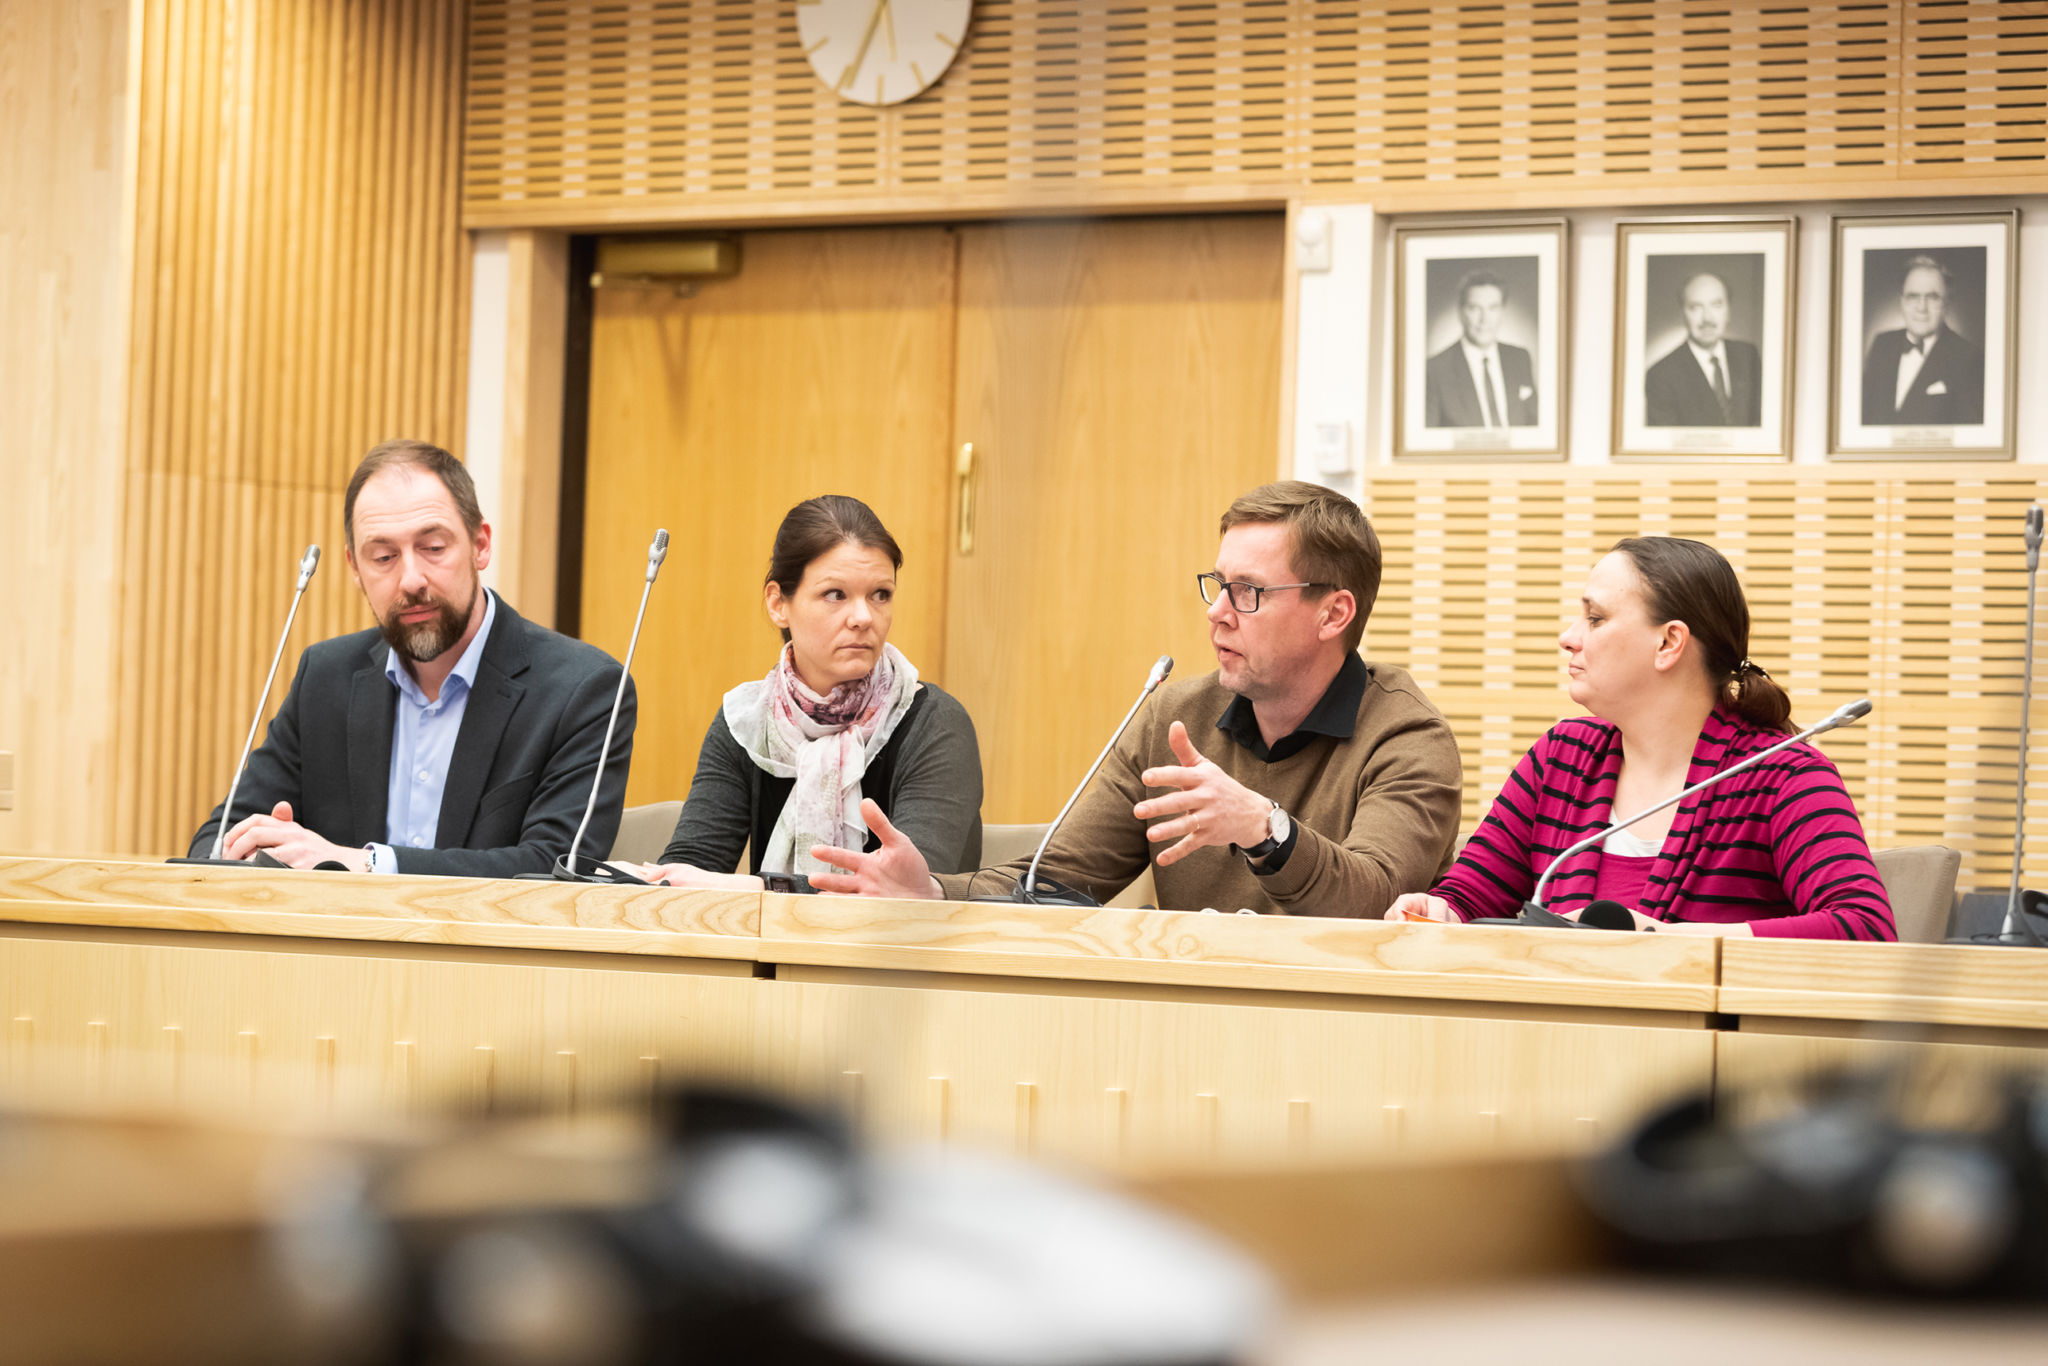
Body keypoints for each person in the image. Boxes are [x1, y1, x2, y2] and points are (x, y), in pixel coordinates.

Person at [809, 481, 1464, 917]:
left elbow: (1377, 898)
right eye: (1217, 584)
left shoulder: (1406, 736)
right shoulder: (1173, 716)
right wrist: (929, 891)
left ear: (1334, 614)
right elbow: (1058, 879)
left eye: (1250, 592)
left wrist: (1267, 829)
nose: (1218, 615)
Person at [1385, 537, 1894, 940]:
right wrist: (1439, 910)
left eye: (1596, 618)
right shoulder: (1560, 759)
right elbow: (1470, 899)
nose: (1569, 636)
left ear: (1669, 642)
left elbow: (1865, 928)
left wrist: (1673, 940)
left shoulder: (1784, 777)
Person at [188, 439, 635, 877]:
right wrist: (248, 853)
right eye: (383, 557)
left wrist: (363, 864)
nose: (411, 579)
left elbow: (553, 869)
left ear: (480, 544)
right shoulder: (326, 678)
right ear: (355, 569)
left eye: (433, 548)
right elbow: (219, 837)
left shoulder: (584, 689)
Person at [618, 495, 981, 892]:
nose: (863, 617)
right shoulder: (749, 720)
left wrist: (751, 890)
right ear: (778, 604)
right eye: (835, 595)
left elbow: (905, 890)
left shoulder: (934, 723)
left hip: (905, 950)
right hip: (774, 951)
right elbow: (690, 871)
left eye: (881, 594)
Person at [1860, 255, 1985, 426]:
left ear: (1947, 302)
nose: (1921, 308)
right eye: (1913, 296)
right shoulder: (1882, 344)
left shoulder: (1968, 358)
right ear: (1902, 301)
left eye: (1932, 297)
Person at [1644, 271, 1762, 427]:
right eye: (1695, 307)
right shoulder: (1660, 375)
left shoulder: (1748, 355)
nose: (1707, 318)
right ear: (1682, 314)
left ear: (1728, 311)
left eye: (1717, 305)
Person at [1423, 270, 1538, 428]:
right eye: (1475, 309)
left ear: (1502, 312)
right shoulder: (1435, 369)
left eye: (1493, 308)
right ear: (1461, 312)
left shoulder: (1519, 358)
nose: (1484, 319)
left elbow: (1536, 425)